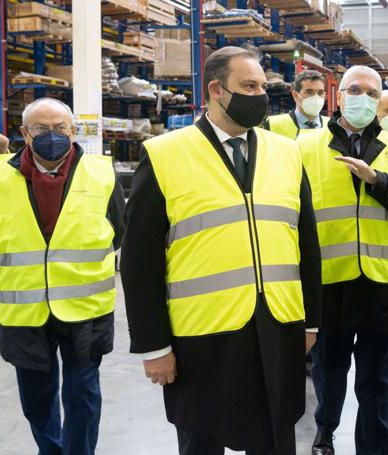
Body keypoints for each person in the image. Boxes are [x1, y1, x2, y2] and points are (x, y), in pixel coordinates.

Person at [120, 46, 322, 455]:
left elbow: (307, 244)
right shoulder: (165, 154)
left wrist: (311, 322)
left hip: (277, 325)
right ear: (216, 89)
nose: (260, 95)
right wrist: (154, 347)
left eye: (263, 86)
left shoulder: (286, 152)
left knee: (276, 435)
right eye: (248, 86)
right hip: (201, 335)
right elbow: (139, 262)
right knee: (201, 437)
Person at [0, 97, 125, 455]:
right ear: (24, 133)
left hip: (85, 308)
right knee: (36, 397)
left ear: (73, 130)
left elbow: (119, 231)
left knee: (83, 393)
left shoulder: (100, 173)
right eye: (42, 129)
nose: (53, 135)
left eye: (61, 128)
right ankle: (51, 450)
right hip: (23, 308)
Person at [299, 65, 388, 455]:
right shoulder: (304, 147)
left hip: (384, 279)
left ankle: (374, 448)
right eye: (355, 89)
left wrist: (378, 182)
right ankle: (325, 430)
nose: (363, 98)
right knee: (329, 369)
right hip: (330, 279)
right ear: (338, 95)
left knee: (379, 379)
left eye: (372, 93)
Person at [264, 70, 329, 138]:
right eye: (309, 92)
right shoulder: (272, 125)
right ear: (295, 95)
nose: (316, 98)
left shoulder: (333, 127)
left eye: (320, 93)